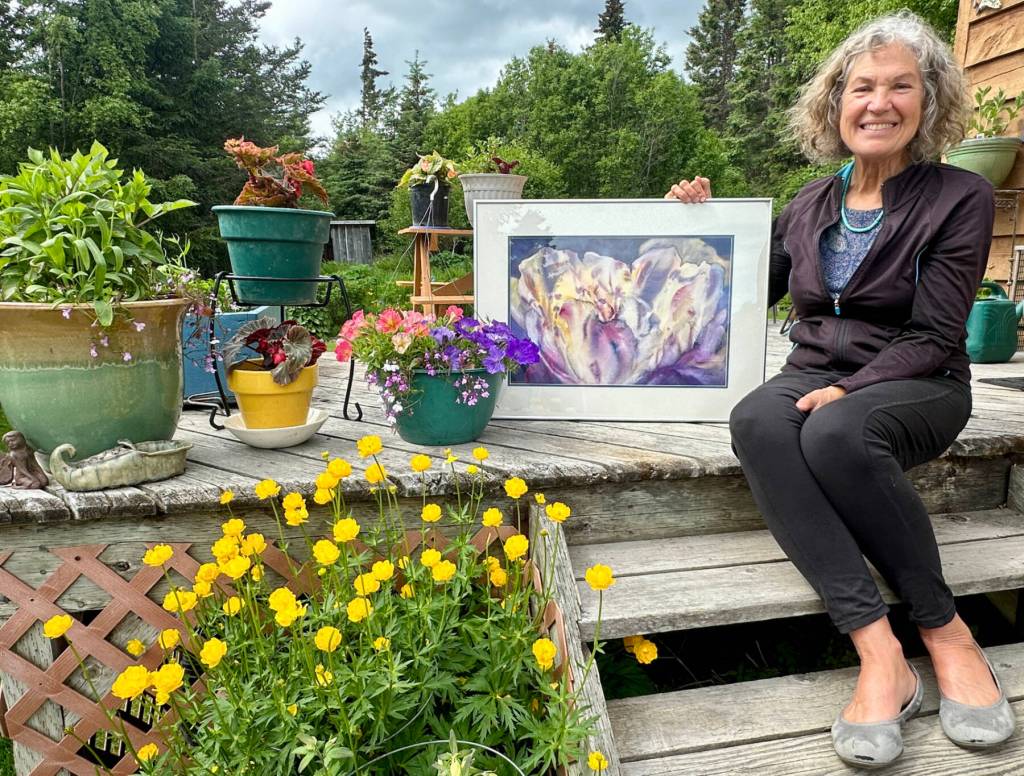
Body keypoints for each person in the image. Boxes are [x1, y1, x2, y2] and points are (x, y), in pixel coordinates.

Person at [666, 11, 1014, 769]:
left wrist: (852, 388)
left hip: (919, 380)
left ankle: (947, 631)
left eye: (900, 86)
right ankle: (876, 647)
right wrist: (699, 229)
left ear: (929, 103)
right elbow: (737, 291)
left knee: (836, 432)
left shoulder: (959, 196)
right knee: (758, 421)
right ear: (834, 104)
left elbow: (933, 335)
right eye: (861, 87)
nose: (878, 102)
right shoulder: (808, 203)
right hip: (815, 370)